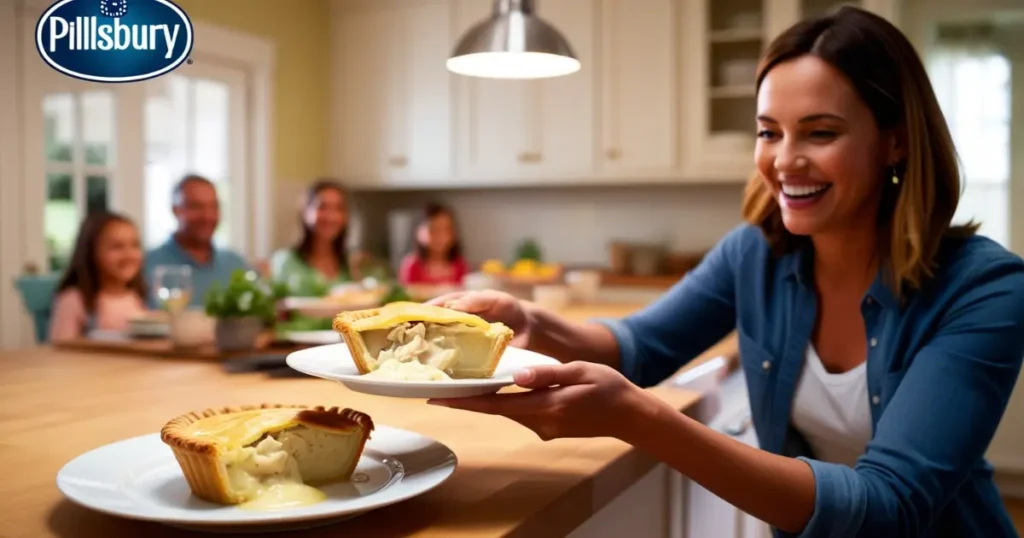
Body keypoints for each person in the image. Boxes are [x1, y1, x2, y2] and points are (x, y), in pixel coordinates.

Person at [425, 7, 1024, 537]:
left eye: (821, 132)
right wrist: (528, 318)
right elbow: (642, 346)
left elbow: (888, 506)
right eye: (768, 131)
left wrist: (639, 418)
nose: (784, 159)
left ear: (894, 143)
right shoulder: (756, 256)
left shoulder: (984, 289)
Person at [144, 174, 250, 308]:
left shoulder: (235, 264)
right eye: (196, 206)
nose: (207, 216)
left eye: (214, 207)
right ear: (176, 210)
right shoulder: (146, 264)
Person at [49, 212, 148, 341]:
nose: (129, 254)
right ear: (91, 253)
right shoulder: (74, 300)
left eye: (135, 245)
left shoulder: (135, 297)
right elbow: (60, 349)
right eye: (117, 247)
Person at [270, 180, 361, 294]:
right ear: (305, 212)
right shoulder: (285, 262)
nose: (331, 216)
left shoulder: (352, 265)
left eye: (339, 208)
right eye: (322, 207)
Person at [398, 202, 469, 286]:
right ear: (419, 232)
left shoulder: (460, 265)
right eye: (434, 230)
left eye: (447, 230)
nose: (441, 236)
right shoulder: (411, 265)